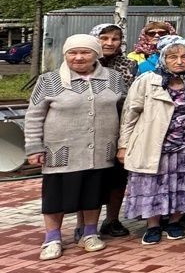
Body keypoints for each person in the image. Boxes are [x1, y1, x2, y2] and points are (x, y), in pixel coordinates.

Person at [25, 35, 128, 260]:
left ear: (96, 55)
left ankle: (89, 233)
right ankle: (52, 237)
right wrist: (34, 147)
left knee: (93, 193)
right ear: (65, 55)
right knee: (55, 196)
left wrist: (123, 143)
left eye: (85, 53)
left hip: (101, 148)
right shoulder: (50, 80)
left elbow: (125, 111)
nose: (78, 57)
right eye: (72, 53)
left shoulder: (113, 78)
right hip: (61, 150)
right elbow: (34, 115)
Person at [117, 37, 185, 245]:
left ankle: (175, 221)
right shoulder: (147, 80)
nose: (179, 61)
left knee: (183, 184)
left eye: (184, 56)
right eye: (173, 57)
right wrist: (123, 145)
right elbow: (130, 114)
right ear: (162, 58)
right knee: (153, 185)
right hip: (154, 144)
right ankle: (153, 225)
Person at [89, 22, 131, 237]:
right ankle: (86, 225)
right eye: (104, 38)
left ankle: (112, 219)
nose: (109, 43)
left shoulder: (128, 65)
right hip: (88, 130)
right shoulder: (82, 62)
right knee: (91, 179)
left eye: (114, 39)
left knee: (117, 178)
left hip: (119, 129)